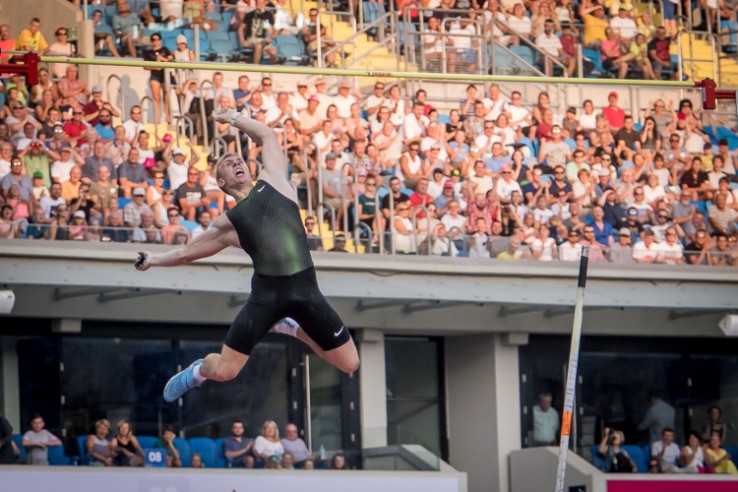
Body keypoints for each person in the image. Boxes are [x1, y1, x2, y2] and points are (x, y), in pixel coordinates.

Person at [135, 108, 360, 403]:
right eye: (228, 164)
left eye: (239, 159)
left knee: (349, 363)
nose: (236, 162)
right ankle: (198, 371)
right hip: (266, 298)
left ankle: (293, 329)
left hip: (307, 292)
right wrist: (152, 260)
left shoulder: (275, 182)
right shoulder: (230, 224)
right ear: (222, 183)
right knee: (225, 371)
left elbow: (266, 135)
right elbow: (187, 253)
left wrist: (234, 118)